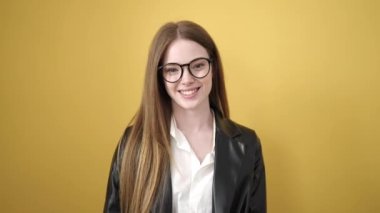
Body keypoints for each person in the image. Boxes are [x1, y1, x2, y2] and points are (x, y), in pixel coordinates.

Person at [104, 20, 266, 213]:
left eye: (197, 66)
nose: (187, 79)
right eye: (172, 69)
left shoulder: (247, 145)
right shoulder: (133, 144)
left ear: (213, 68)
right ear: (159, 77)